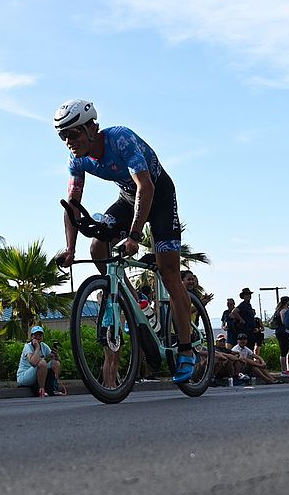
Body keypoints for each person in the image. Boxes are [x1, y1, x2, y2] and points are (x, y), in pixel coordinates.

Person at [52, 99, 198, 383]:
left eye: (74, 133)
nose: (69, 141)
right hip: (128, 199)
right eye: (63, 135)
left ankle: (185, 350)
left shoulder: (121, 138)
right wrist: (70, 249)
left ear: (92, 127)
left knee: (169, 273)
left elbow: (146, 186)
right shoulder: (76, 160)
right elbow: (72, 205)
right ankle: (132, 301)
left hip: (158, 195)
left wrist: (133, 235)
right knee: (97, 247)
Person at [17, 326, 64, 397]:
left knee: (55, 363)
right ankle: (41, 389)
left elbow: (54, 358)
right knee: (42, 362)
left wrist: (56, 356)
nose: (38, 337)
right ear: (32, 336)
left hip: (35, 373)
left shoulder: (44, 346)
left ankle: (54, 387)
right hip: (24, 377)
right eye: (36, 335)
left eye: (40, 335)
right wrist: (37, 348)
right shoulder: (27, 347)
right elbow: (33, 362)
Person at [270, 296, 289, 377]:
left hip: (281, 331)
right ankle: (284, 370)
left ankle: (287, 369)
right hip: (283, 331)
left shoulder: (279, 310)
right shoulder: (283, 310)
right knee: (284, 350)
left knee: (287, 349)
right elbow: (284, 322)